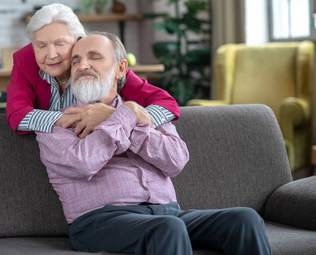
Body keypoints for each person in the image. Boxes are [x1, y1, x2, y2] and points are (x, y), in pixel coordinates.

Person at [35, 32, 272, 255]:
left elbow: (176, 160)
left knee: (244, 219)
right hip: (99, 221)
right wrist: (125, 116)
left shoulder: (147, 112)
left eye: (94, 57)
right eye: (76, 61)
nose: (82, 65)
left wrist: (116, 118)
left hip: (168, 213)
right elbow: (84, 163)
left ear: (120, 68)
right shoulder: (57, 123)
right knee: (167, 228)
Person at [6, 3, 179, 138]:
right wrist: (64, 119)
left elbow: (167, 103)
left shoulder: (99, 67)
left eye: (60, 44)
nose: (51, 55)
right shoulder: (25, 60)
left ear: (78, 41)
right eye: (41, 46)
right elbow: (16, 113)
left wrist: (119, 117)